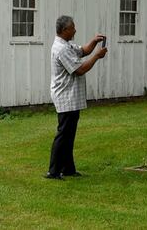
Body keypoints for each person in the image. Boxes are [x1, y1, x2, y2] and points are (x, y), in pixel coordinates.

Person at [46, 15, 107, 180]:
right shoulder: (62, 49)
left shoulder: (67, 44)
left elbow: (82, 51)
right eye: (73, 27)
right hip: (65, 96)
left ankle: (68, 169)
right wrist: (97, 56)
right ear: (65, 30)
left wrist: (94, 42)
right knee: (63, 134)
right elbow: (79, 69)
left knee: (69, 134)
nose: (75, 29)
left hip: (71, 97)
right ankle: (53, 171)